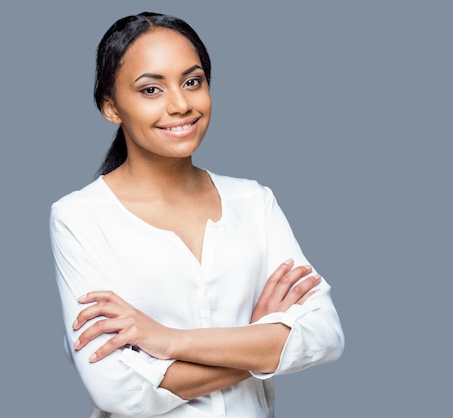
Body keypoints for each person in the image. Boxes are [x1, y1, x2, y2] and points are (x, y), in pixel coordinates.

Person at [50, 12, 344, 418]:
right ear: (111, 108)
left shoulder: (254, 202)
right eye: (151, 89)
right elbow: (117, 391)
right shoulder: (80, 217)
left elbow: (325, 336)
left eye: (192, 81)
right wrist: (256, 340)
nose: (180, 104)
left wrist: (166, 341)